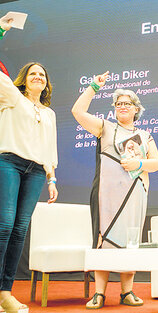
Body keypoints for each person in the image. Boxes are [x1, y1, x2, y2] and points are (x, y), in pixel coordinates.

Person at [71, 72, 158, 309]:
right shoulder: (105, 128)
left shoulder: (145, 135)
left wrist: (138, 164)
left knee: (131, 240)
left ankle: (127, 292)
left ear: (136, 109)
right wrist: (93, 86)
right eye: (118, 103)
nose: (122, 106)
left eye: (127, 103)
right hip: (106, 194)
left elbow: (157, 163)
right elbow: (77, 112)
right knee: (104, 239)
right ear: (114, 109)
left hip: (135, 193)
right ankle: (99, 293)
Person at [0, 19, 58, 313]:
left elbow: (50, 149)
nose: (38, 76)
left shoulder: (49, 113)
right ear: (23, 79)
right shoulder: (10, 95)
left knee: (21, 229)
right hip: (8, 163)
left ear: (46, 82)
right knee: (4, 225)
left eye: (42, 74)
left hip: (36, 171)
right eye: (33, 73)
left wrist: (52, 178)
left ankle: (5, 293)